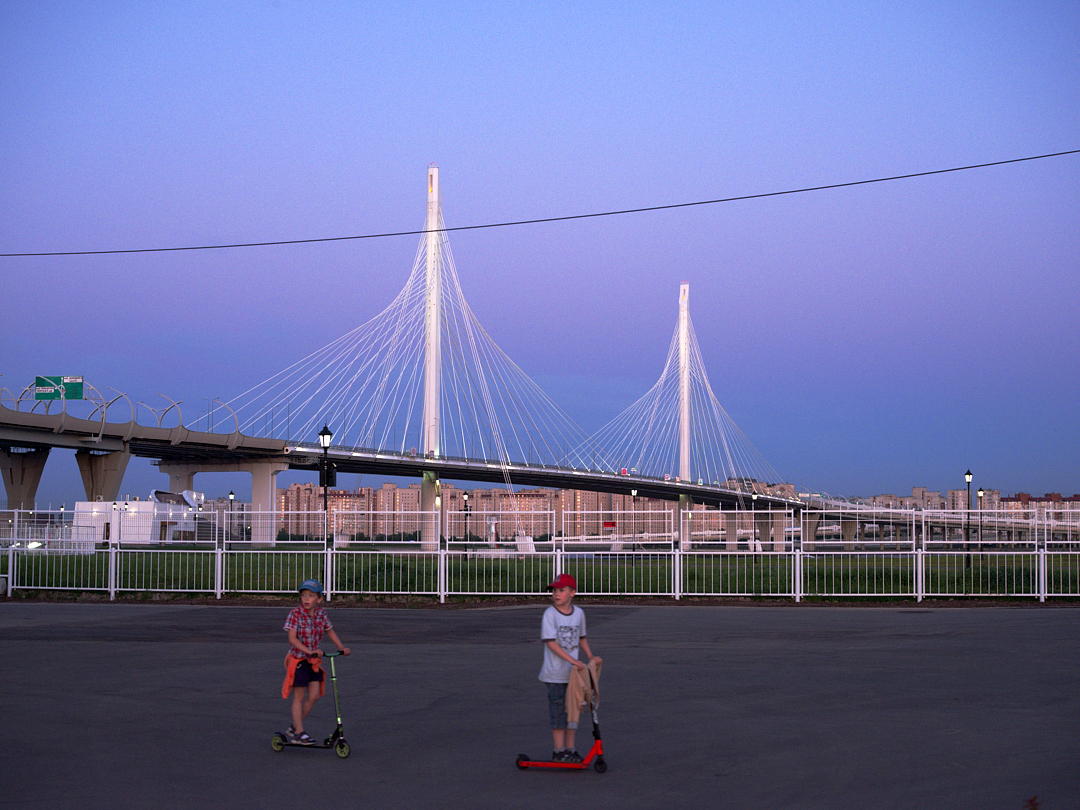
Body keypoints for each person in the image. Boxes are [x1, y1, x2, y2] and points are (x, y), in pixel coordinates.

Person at [538, 573, 601, 762]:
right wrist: (572, 660)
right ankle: (559, 750)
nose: (556, 594)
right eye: (554, 591)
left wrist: (590, 656)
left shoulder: (579, 614)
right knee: (558, 712)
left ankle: (570, 749)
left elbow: (581, 637)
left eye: (561, 590)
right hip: (555, 675)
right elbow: (551, 643)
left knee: (573, 711)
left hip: (574, 675)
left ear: (572, 593)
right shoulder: (550, 615)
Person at [281, 579, 350, 745]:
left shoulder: (321, 614)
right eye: (303, 595)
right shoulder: (295, 614)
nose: (306, 599)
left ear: (319, 599)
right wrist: (309, 651)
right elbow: (292, 638)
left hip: (313, 660)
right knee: (299, 695)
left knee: (314, 695)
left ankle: (294, 727)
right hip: (298, 660)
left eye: (311, 596)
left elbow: (329, 630)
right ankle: (299, 733)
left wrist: (341, 647)